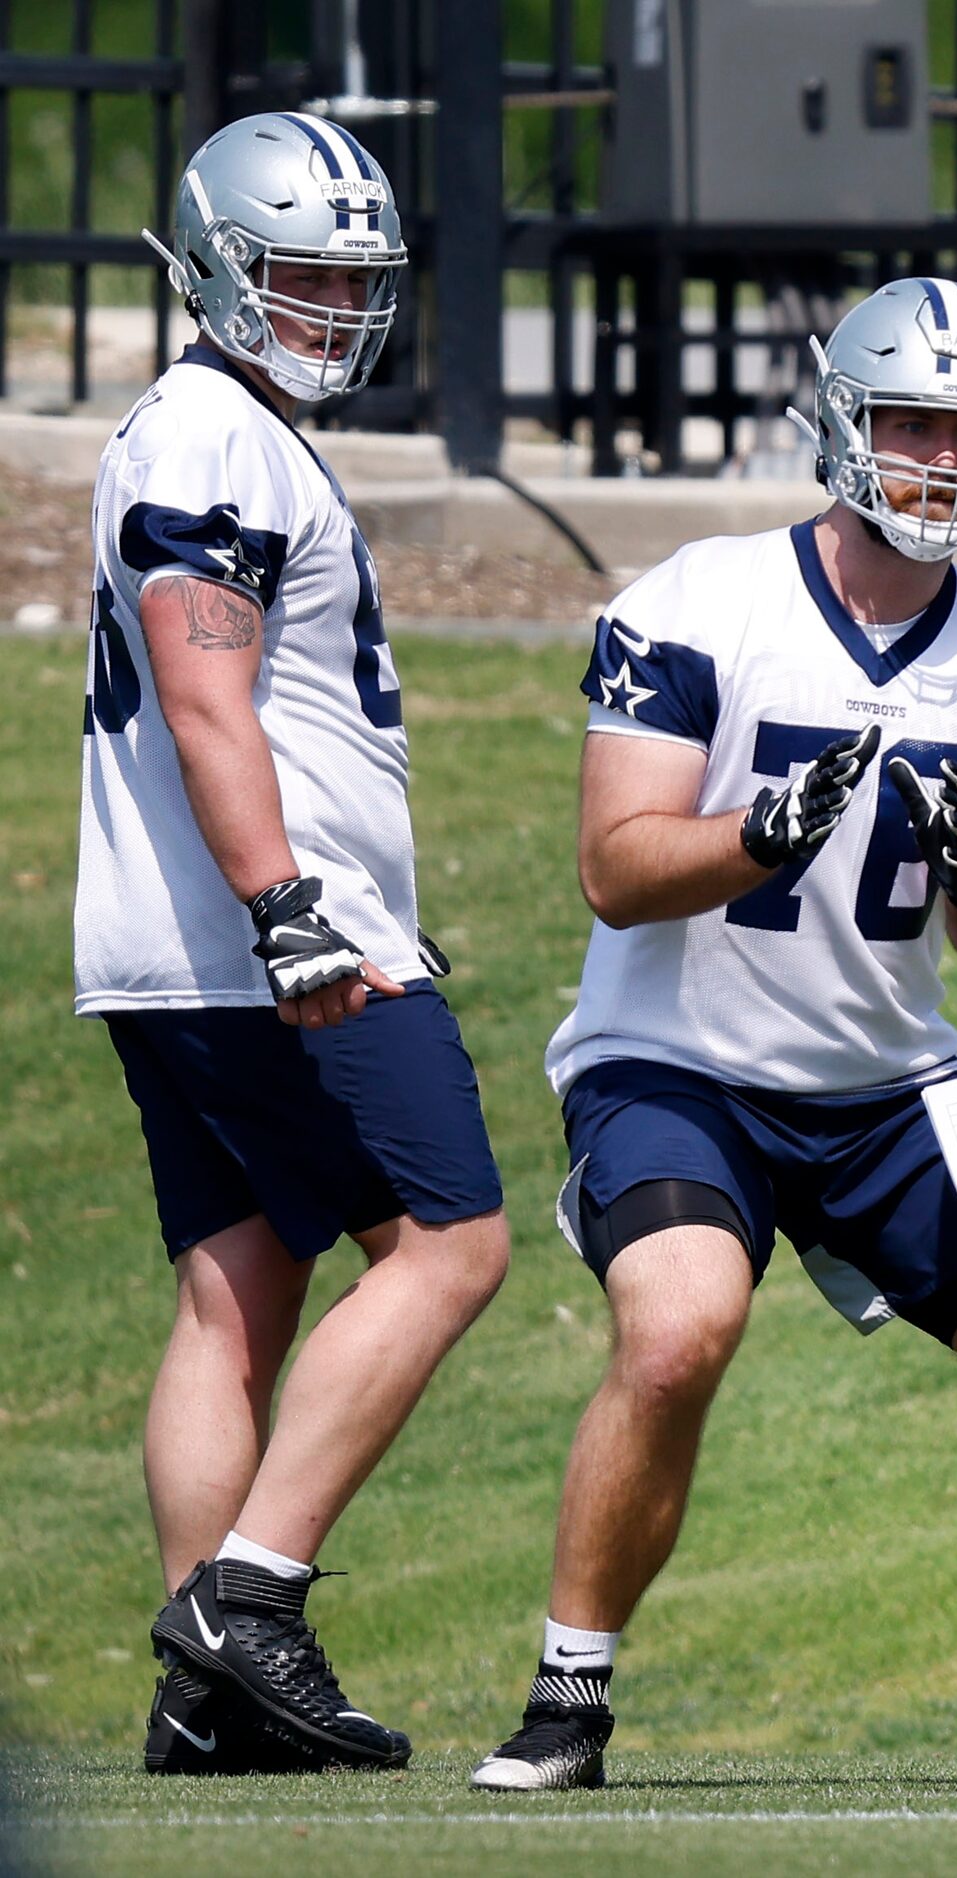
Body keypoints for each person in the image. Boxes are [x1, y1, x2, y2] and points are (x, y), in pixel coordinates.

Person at [467, 279, 957, 1792]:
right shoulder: (697, 601)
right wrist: (758, 835)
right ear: (841, 420)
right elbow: (616, 865)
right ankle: (567, 1698)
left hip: (890, 1087)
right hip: (678, 1065)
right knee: (678, 1327)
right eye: (910, 423)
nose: (940, 460)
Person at [84, 112, 510, 1777]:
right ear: (209, 264)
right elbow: (206, 693)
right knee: (452, 1240)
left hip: (171, 941)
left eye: (350, 281)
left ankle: (208, 1696)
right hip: (265, 933)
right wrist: (286, 904)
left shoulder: (220, 428)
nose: (328, 312)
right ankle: (247, 1603)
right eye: (298, 276)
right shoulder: (207, 438)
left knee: (236, 1293)